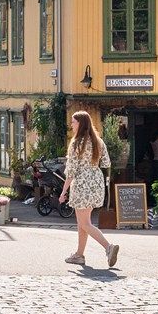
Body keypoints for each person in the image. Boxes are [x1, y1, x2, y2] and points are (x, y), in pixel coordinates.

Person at [58, 111, 118, 268]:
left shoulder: (76, 143)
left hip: (82, 183)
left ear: (81, 124)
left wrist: (63, 191)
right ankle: (79, 255)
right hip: (96, 181)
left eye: (73, 122)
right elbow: (106, 163)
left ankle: (108, 247)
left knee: (84, 223)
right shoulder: (98, 141)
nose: (71, 125)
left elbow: (70, 171)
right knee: (82, 222)